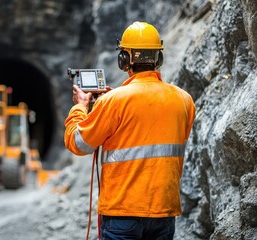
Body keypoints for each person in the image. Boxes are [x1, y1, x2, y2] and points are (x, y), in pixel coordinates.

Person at [64, 21, 196, 239]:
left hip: (122, 213)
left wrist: (80, 106)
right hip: (164, 212)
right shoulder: (184, 100)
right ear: (158, 58)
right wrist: (113, 100)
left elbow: (78, 143)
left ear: (124, 60)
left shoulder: (113, 102)